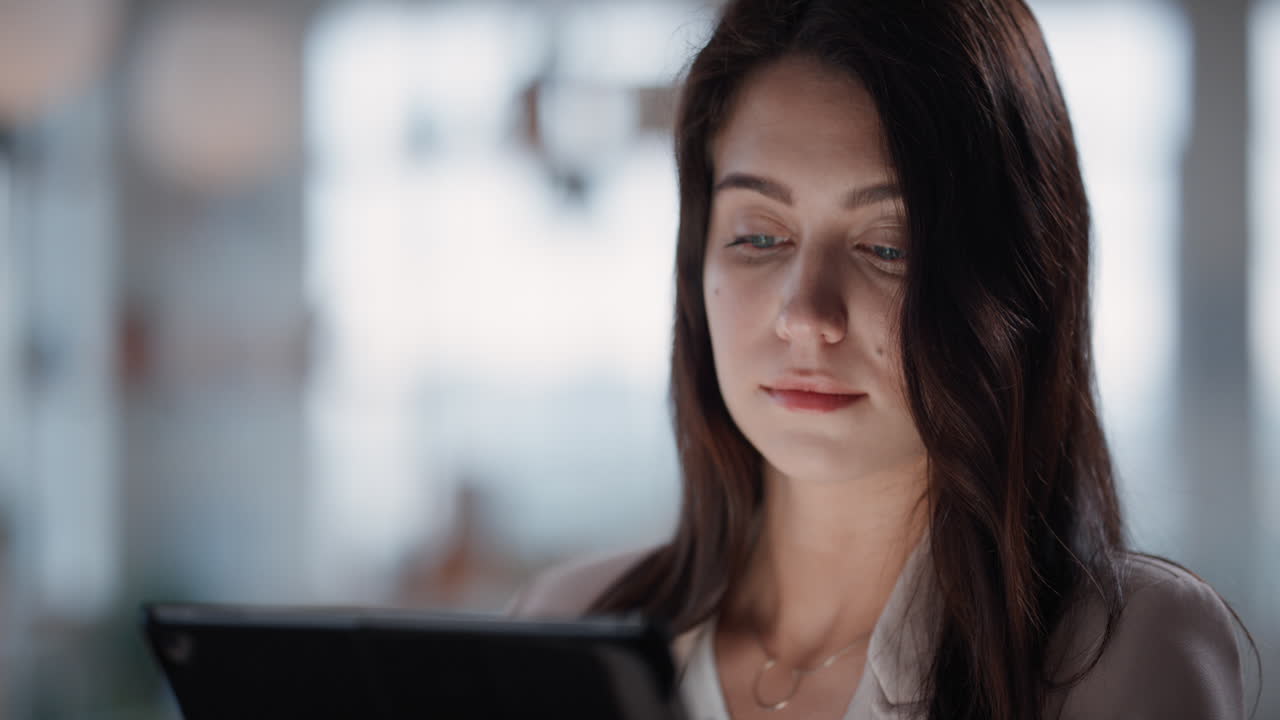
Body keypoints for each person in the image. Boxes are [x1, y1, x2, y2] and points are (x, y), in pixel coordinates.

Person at [508, 1, 1254, 718]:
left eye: (887, 248)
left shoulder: (1122, 655)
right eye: (758, 236)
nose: (806, 315)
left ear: (1012, 282)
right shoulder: (565, 629)